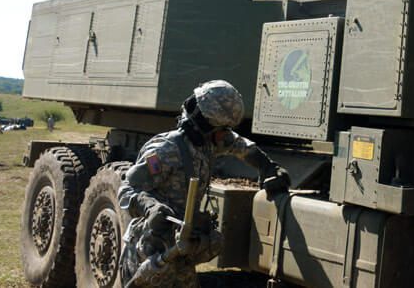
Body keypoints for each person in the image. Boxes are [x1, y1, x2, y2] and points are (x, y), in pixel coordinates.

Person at [118, 80, 290, 287]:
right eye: (223, 129)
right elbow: (128, 188)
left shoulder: (208, 141)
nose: (226, 134)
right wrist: (150, 207)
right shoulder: (166, 149)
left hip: (179, 251)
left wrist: (266, 165)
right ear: (205, 123)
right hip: (150, 253)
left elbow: (240, 146)